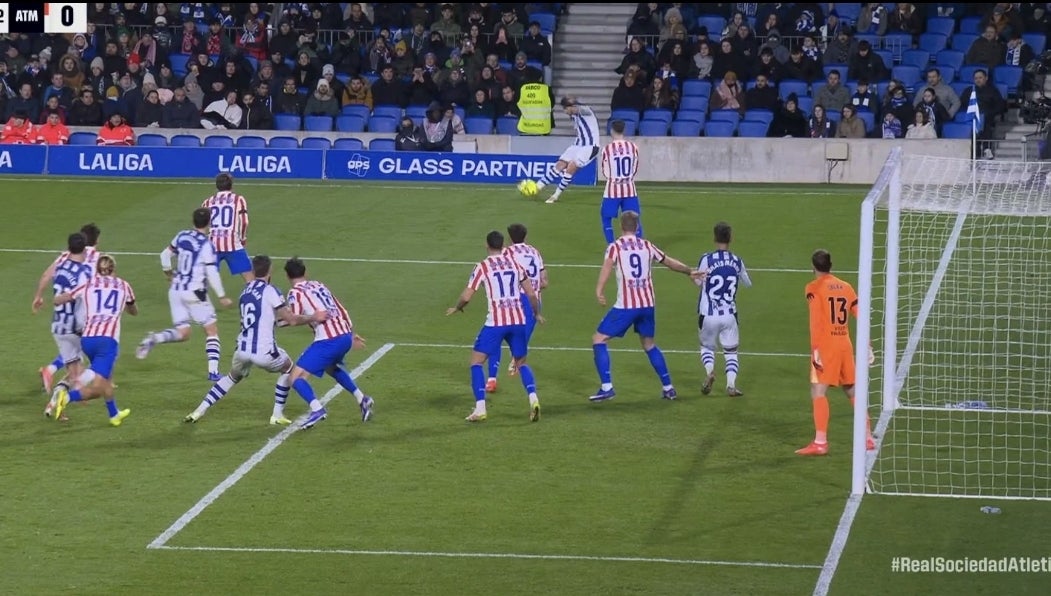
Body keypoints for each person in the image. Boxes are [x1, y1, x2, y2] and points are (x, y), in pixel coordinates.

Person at [184, 255, 329, 424]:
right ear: (270, 271)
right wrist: (313, 317)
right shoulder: (271, 290)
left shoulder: (244, 292)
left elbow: (265, 317)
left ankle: (199, 410)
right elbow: (291, 320)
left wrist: (280, 320)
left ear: (253, 271)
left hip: (242, 350)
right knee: (291, 370)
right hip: (264, 352)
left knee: (231, 378)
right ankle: (277, 414)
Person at [590, 211, 701, 402]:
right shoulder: (647, 245)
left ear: (621, 227)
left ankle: (607, 387)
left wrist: (599, 291)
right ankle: (669, 388)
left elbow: (607, 269)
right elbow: (669, 262)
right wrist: (689, 271)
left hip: (626, 305)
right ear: (637, 227)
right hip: (648, 304)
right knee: (649, 344)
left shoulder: (615, 247)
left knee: (599, 339)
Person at [446, 230, 544, 422]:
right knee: (521, 363)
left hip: (496, 323)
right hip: (518, 321)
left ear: (486, 245)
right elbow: (532, 294)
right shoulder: (516, 265)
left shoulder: (482, 267)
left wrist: (458, 308)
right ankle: (534, 400)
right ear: (502, 246)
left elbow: (467, 295)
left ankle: (480, 408)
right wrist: (537, 313)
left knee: (475, 362)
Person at [135, 208, 233, 381]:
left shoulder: (181, 235)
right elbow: (212, 273)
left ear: (193, 221)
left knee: (183, 333)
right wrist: (222, 296)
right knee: (211, 329)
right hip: (195, 293)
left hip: (176, 290)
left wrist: (169, 274)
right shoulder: (206, 245)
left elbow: (164, 255)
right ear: (209, 223)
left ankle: (155, 338)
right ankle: (213, 372)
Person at [796, 249, 875, 456]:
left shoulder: (813, 288)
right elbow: (861, 314)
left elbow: (816, 321)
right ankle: (867, 438)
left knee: (818, 391)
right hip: (845, 344)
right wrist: (867, 344)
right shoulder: (846, 287)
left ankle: (820, 442)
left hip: (826, 345)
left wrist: (815, 351)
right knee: (851, 390)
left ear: (813, 267)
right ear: (831, 265)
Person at [284, 257, 375, 429]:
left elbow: (294, 320)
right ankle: (362, 399)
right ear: (306, 272)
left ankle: (317, 409)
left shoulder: (295, 292)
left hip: (328, 340)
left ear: (287, 276)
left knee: (295, 377)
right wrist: (351, 334)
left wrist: (310, 317)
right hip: (344, 335)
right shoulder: (319, 285)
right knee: (330, 367)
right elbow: (340, 308)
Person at [50, 254, 138, 426]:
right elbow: (134, 310)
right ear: (114, 269)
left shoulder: (89, 283)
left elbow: (63, 298)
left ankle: (114, 414)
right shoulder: (124, 285)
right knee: (97, 387)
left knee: (107, 378)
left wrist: (55, 298)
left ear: (97, 269)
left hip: (88, 339)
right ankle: (65, 396)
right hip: (107, 341)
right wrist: (126, 308)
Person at [32, 223, 102, 395]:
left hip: (58, 324)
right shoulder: (93, 262)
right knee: (93, 358)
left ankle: (54, 378)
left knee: (75, 363)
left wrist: (39, 296)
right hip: (79, 321)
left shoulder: (63, 260)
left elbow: (46, 275)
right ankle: (91, 386)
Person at [485, 223, 548, 393]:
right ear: (525, 237)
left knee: (495, 335)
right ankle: (518, 368)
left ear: (510, 238)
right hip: (535, 301)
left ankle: (492, 378)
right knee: (520, 342)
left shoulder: (507, 252)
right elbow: (544, 281)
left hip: (516, 301)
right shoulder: (535, 252)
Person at [696, 222, 752, 397]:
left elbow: (699, 281)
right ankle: (731, 385)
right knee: (731, 351)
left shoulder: (706, 259)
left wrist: (695, 278)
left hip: (708, 314)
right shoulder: (737, 261)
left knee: (707, 348)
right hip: (729, 315)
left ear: (714, 238)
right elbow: (748, 284)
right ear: (730, 238)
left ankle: (710, 372)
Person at [530, 96, 600, 204]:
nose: (565, 112)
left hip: (590, 146)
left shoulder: (586, 111)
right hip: (578, 144)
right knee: (560, 164)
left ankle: (555, 195)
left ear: (570, 107)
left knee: (572, 165)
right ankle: (537, 187)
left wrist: (573, 104)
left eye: (565, 109)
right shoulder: (573, 116)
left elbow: (581, 109)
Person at [201, 173, 253, 282]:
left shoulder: (207, 202)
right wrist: (243, 238)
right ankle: (254, 298)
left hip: (213, 245)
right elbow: (244, 222)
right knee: (249, 278)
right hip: (233, 243)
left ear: (216, 186)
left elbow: (202, 225)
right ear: (231, 185)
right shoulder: (238, 199)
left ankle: (195, 298)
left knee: (203, 279)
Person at [600, 120, 642, 244]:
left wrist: (614, 179)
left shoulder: (607, 149)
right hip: (629, 188)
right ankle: (638, 245)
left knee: (606, 219)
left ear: (611, 130)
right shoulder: (633, 147)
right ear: (624, 130)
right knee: (635, 219)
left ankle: (612, 246)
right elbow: (635, 167)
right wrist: (627, 178)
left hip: (612, 189)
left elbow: (605, 170)